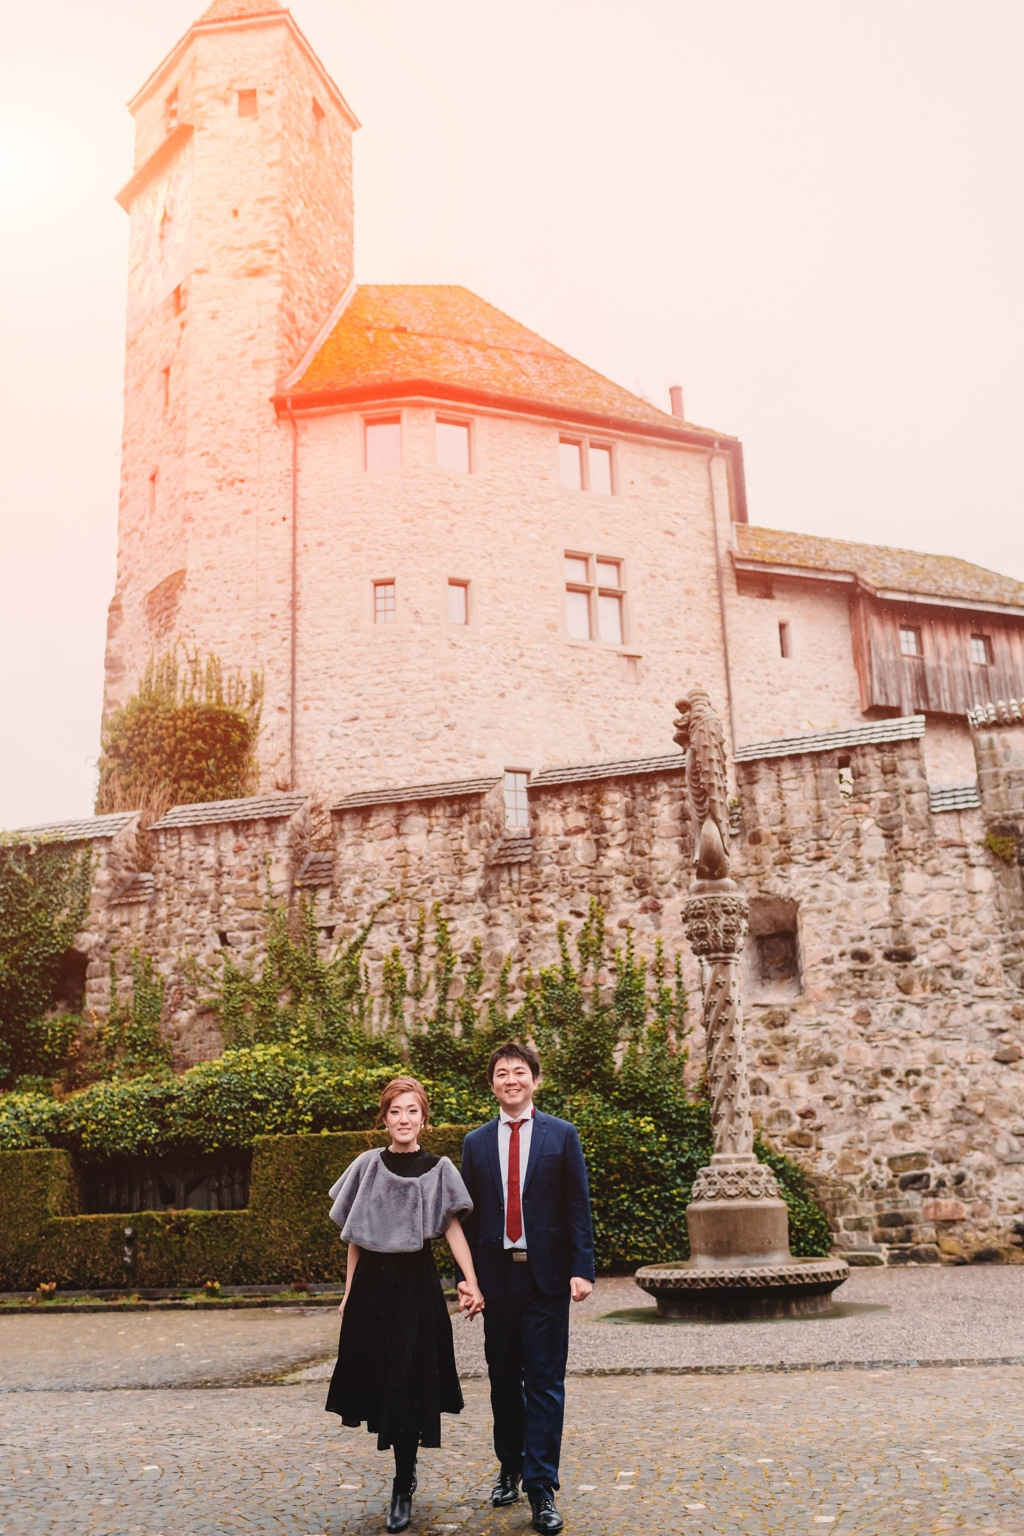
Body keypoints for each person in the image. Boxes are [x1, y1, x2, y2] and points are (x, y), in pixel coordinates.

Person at [325, 1076, 485, 1534]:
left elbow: (454, 1231)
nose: (403, 1119)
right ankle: (402, 1471)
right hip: (373, 1287)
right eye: (395, 1111)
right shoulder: (367, 1165)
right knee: (380, 1381)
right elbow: (354, 1236)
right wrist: (349, 1291)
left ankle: (402, 1482)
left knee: (408, 1381)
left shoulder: (439, 1169)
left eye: (412, 1111)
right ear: (385, 1117)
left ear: (423, 1118)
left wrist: (471, 1283)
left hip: (416, 1286)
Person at [457, 1042, 595, 1535]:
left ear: (535, 1080)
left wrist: (584, 1269)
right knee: (502, 1377)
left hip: (548, 1277)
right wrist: (465, 1279)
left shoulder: (562, 1135)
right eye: (501, 1073)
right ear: (491, 1084)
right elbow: (466, 1220)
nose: (511, 1079)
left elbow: (577, 1207)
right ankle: (510, 1466)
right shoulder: (474, 1143)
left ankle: (541, 1486)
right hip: (496, 1279)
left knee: (544, 1381)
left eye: (519, 1072)